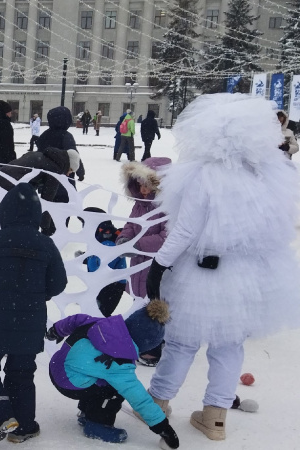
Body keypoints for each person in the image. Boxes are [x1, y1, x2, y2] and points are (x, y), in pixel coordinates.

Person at [145, 94, 300, 441]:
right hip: (248, 276)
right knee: (229, 345)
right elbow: (280, 228)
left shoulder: (205, 174)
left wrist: (159, 265)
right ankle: (215, 416)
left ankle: (156, 403)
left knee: (183, 341)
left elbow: (184, 230)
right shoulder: (272, 172)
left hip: (203, 272)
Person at [0, 183, 68, 445]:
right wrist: (37, 296)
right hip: (29, 322)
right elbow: (58, 283)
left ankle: (0, 415)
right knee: (21, 373)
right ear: (37, 216)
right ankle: (24, 427)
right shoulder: (46, 244)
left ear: (4, 214)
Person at [46, 300, 179, 448]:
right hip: (68, 382)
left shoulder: (101, 323)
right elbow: (139, 398)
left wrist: (56, 330)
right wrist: (163, 427)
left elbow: (75, 319)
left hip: (56, 365)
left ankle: (87, 412)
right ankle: (97, 425)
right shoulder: (120, 364)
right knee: (114, 389)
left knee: (98, 374)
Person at [116, 157, 171, 366]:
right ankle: (143, 339)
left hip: (158, 265)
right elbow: (131, 224)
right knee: (140, 301)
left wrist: (139, 245)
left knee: (155, 304)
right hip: (138, 263)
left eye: (145, 182)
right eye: (137, 182)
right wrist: (125, 238)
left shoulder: (168, 206)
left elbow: (168, 236)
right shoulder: (141, 204)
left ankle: (153, 346)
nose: (141, 187)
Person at [0, 147, 81, 236]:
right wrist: (45, 228)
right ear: (68, 164)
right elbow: (47, 199)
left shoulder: (42, 156)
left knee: (7, 217)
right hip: (9, 185)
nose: (68, 174)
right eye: (70, 170)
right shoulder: (55, 170)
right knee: (14, 219)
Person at [76, 207, 127, 318]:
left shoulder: (109, 242)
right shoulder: (100, 239)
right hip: (104, 284)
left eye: (84, 223)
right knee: (93, 315)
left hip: (111, 286)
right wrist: (85, 258)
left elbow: (103, 266)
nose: (83, 228)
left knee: (99, 316)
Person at [36, 106, 84, 183]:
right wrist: (80, 172)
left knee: (48, 194)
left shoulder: (44, 135)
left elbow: (39, 153)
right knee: (66, 194)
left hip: (47, 175)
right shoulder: (66, 136)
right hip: (65, 175)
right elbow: (74, 155)